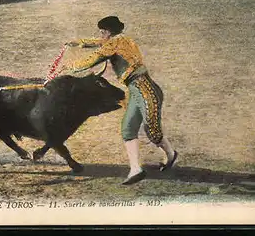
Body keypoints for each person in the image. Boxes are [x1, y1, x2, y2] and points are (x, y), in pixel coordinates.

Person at [63, 16, 178, 185]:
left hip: (145, 90)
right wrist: (80, 42)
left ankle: (171, 154)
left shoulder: (113, 43)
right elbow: (101, 43)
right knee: (128, 128)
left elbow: (94, 58)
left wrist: (70, 66)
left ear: (109, 32)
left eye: (103, 32)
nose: (101, 35)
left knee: (153, 132)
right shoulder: (123, 39)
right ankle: (135, 169)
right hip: (137, 89)